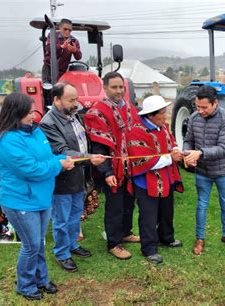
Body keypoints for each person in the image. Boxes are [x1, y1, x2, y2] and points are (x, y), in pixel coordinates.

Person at [0, 93, 74, 300]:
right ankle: (26, 285)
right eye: (28, 113)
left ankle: (41, 279)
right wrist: (58, 165)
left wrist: (64, 158)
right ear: (15, 114)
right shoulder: (7, 142)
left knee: (38, 243)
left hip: (42, 198)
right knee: (31, 245)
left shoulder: (35, 132)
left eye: (33, 112)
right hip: (21, 202)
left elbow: (47, 158)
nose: (33, 117)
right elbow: (32, 169)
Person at [40, 82, 106, 272]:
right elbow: (62, 151)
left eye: (76, 99)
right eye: (71, 100)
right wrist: (89, 158)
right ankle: (62, 253)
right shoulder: (48, 123)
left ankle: (72, 245)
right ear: (56, 100)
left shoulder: (73, 115)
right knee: (61, 219)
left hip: (79, 176)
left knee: (76, 215)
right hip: (62, 180)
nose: (76, 103)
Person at [84, 72, 140, 260]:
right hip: (112, 168)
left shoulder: (130, 108)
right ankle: (114, 242)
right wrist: (107, 172)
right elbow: (98, 146)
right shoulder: (97, 112)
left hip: (130, 167)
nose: (118, 91)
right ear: (105, 88)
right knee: (115, 206)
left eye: (121, 87)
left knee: (128, 203)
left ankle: (125, 232)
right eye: (114, 87)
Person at [183, 85, 225, 255]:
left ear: (215, 103)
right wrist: (187, 153)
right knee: (202, 205)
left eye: (204, 107)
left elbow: (223, 148)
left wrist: (199, 153)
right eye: (197, 106)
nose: (200, 111)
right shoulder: (194, 118)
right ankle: (200, 239)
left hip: (223, 171)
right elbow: (188, 140)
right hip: (202, 172)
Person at [127, 95, 184, 264]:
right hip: (146, 182)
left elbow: (171, 141)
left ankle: (166, 237)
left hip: (165, 178)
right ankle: (149, 248)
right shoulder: (136, 132)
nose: (165, 116)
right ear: (150, 115)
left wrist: (175, 149)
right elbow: (143, 160)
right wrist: (171, 158)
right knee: (148, 216)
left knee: (167, 211)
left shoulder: (163, 127)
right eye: (162, 113)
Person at [42, 18, 82, 83]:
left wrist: (75, 51)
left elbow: (79, 57)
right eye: (65, 29)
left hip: (62, 71)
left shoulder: (74, 41)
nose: (67, 32)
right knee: (47, 89)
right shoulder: (52, 35)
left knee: (61, 90)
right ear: (60, 27)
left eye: (69, 30)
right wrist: (61, 46)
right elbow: (49, 49)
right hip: (49, 68)